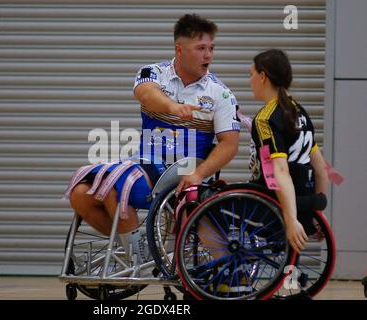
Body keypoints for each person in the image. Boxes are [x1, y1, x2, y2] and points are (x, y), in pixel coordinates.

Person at [67, 13, 240, 266]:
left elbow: (230, 144)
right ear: (179, 49)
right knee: (81, 193)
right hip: (145, 164)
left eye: (211, 48)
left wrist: (199, 173)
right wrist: (172, 107)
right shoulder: (153, 72)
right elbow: (145, 94)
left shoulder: (221, 94)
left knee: (119, 184)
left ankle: (142, 258)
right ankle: (141, 252)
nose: (209, 55)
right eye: (201, 48)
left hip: (183, 171)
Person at [248, 49, 329, 253]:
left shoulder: (265, 118)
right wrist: (316, 211)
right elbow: (320, 168)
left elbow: (280, 171)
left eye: (251, 74)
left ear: (263, 76)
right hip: (302, 200)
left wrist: (291, 219)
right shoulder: (299, 111)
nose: (249, 81)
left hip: (272, 204)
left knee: (205, 204)